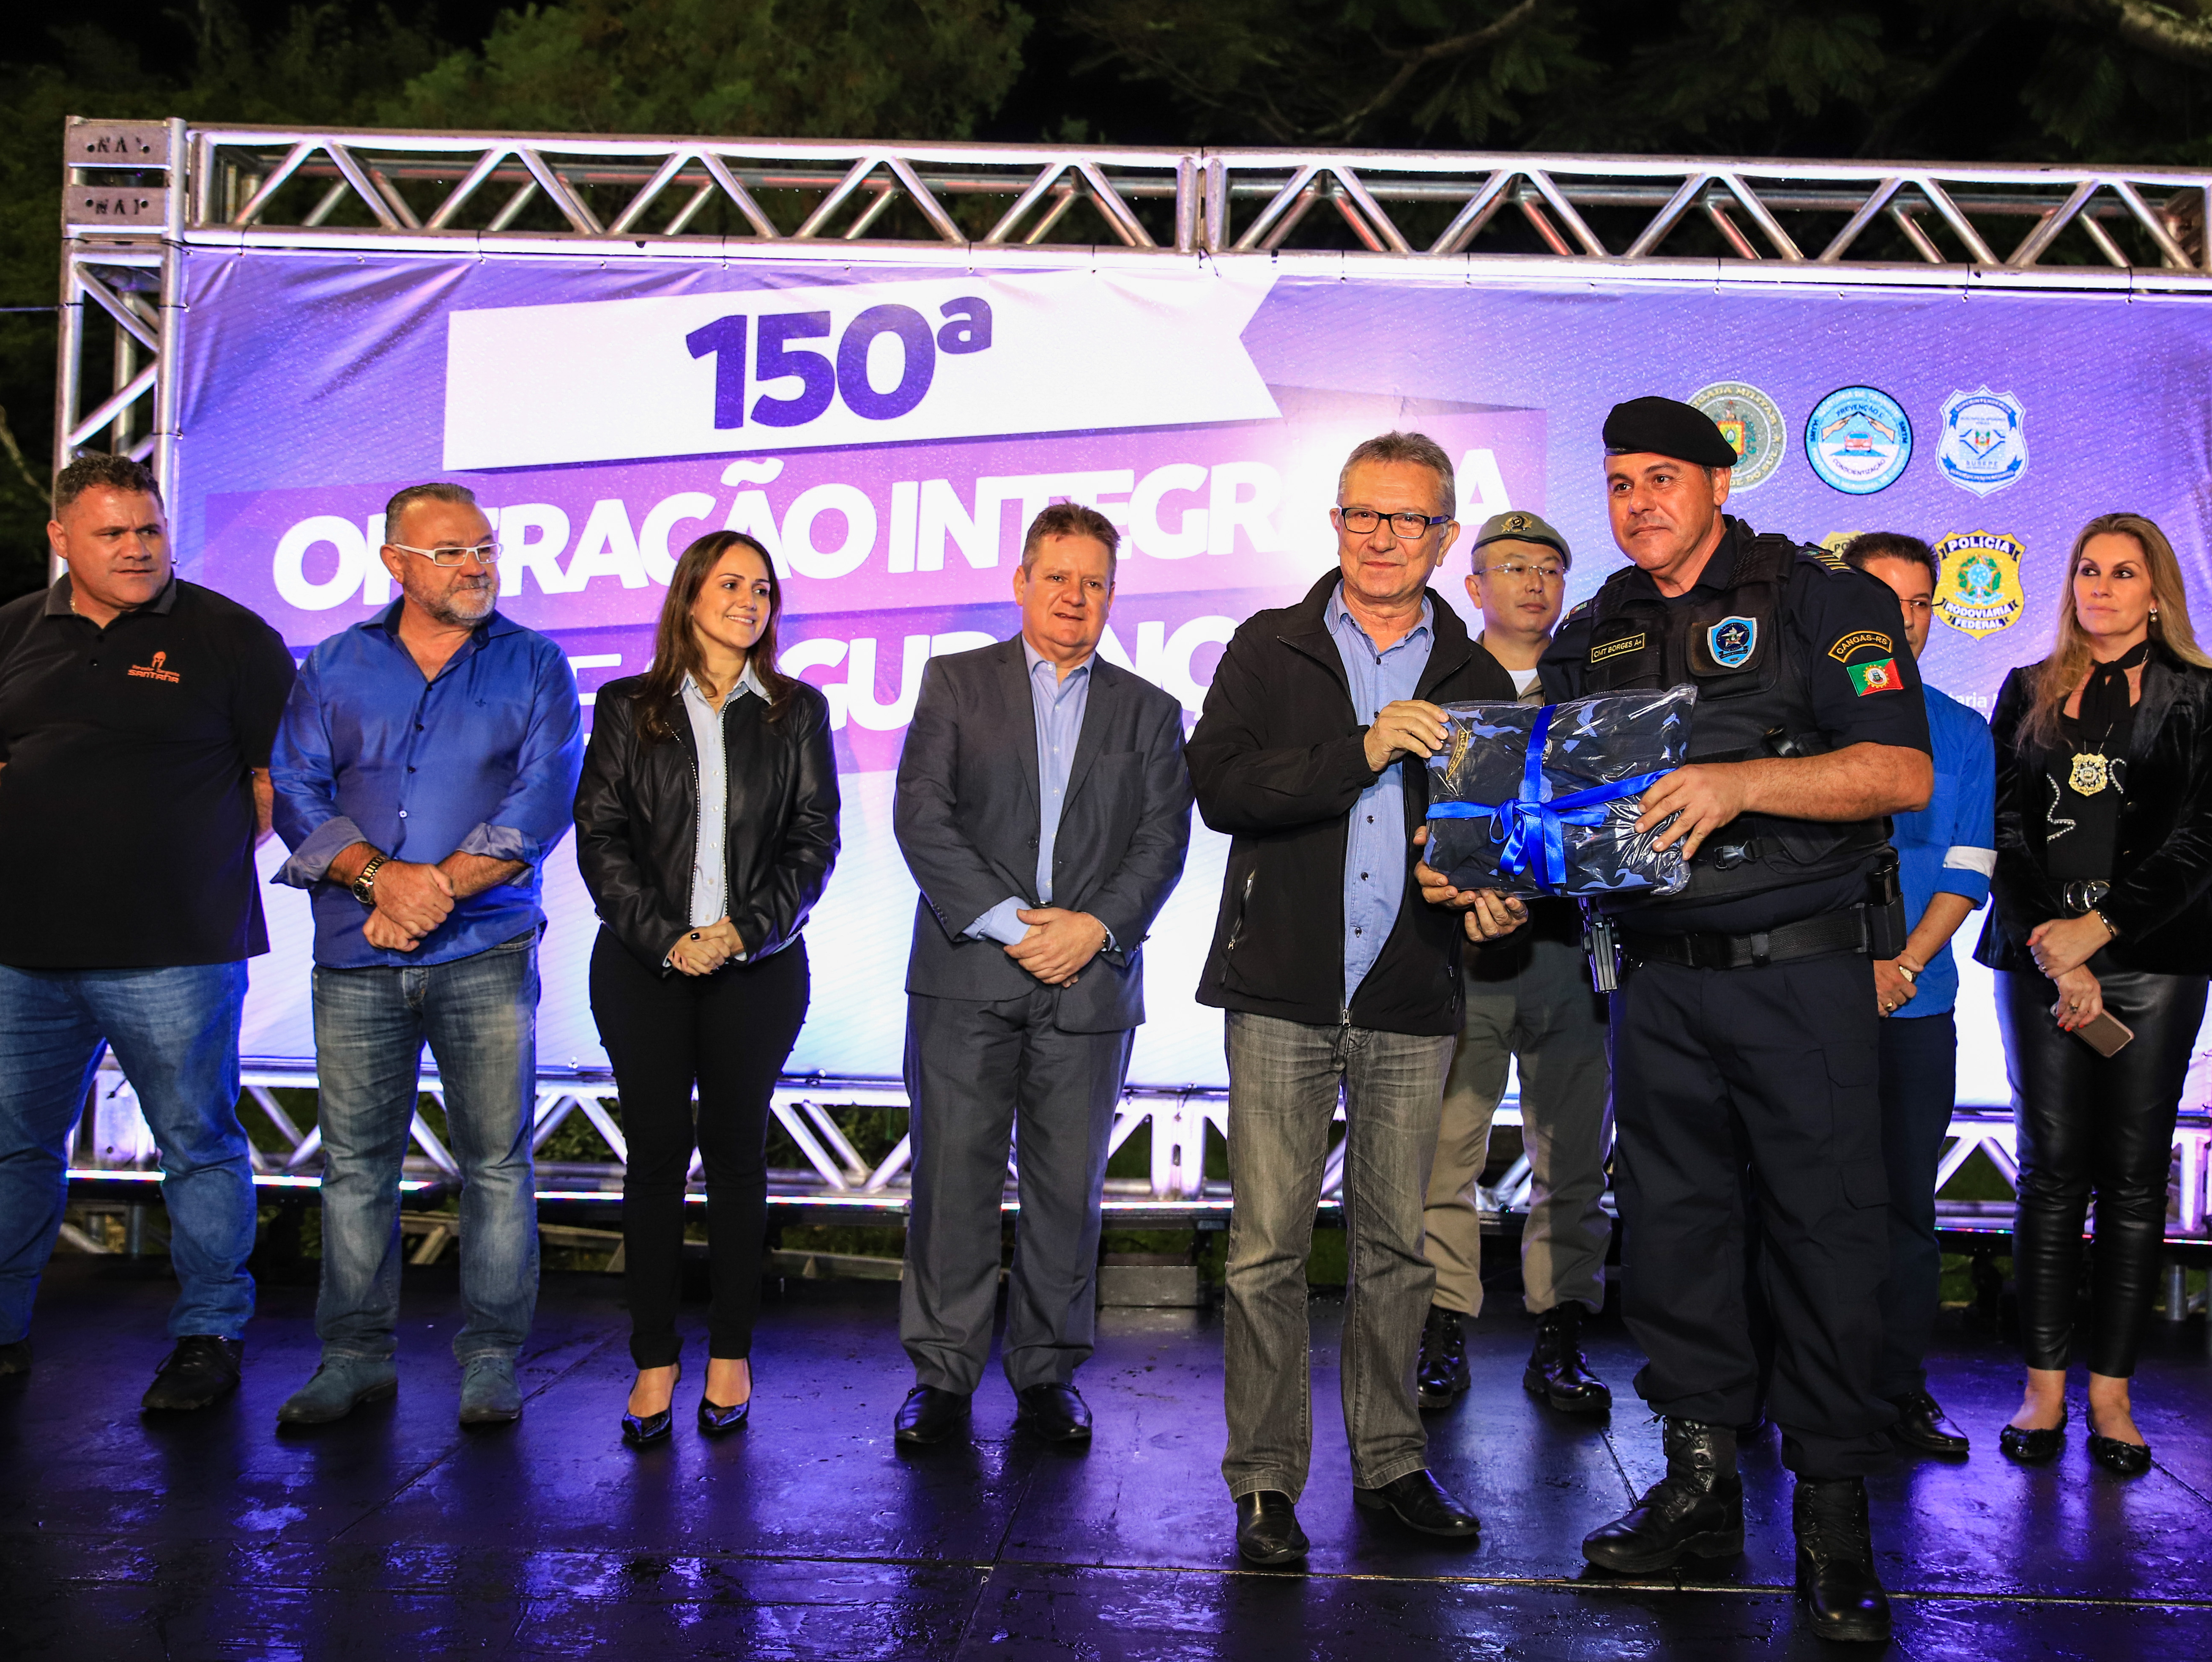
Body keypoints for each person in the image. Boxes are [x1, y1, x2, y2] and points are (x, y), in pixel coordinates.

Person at [1499, 397, 1930, 1646]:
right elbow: (1554, 806)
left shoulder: (1820, 599)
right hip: (1655, 978)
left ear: (1719, 482)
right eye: (1619, 483)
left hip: (1800, 975)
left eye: (1662, 478)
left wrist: (1742, 781)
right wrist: (1486, 860)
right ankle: (1696, 1486)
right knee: (1676, 1235)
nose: (1638, 502)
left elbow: (1899, 772)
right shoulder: (1597, 630)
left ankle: (1835, 1519)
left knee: (1824, 1236)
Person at [1191, 432, 1519, 1569]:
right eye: (1361, 515)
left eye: (1408, 519)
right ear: (1335, 522)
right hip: (1280, 989)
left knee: (1396, 1248)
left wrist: (1486, 899)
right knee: (1265, 1252)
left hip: (1411, 993)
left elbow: (1489, 849)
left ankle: (1389, 1461)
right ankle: (1265, 1482)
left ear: (1445, 536)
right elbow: (1220, 787)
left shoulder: (1478, 681)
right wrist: (1362, 747)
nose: (1382, 538)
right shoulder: (1269, 644)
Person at [0, 451, 295, 1411]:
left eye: (149, 529)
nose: (136, 547)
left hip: (177, 948)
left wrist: (184, 860)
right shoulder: (5, 633)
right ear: (61, 539)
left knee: (198, 1143)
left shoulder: (231, 636)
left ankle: (209, 1334)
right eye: (112, 532)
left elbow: (274, 783)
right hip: (19, 950)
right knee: (8, 1148)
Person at [270, 482, 582, 1429]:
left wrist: (426, 890)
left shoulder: (535, 663)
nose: (476, 566)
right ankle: (354, 1357)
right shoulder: (335, 663)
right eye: (451, 552)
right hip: (356, 953)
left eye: (484, 548)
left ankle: (490, 1360)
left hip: (484, 949)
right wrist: (380, 882)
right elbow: (295, 790)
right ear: (396, 563)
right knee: (357, 1166)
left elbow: (542, 802)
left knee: (496, 1164)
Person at [889, 503, 1192, 1450]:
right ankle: (942, 1376)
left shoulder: (1150, 710)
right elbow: (921, 816)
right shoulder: (954, 682)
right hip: (967, 975)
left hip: (1089, 983)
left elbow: (1162, 842)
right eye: (1057, 577)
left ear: (1112, 595)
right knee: (951, 1183)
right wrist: (1015, 925)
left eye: (1094, 582)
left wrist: (1092, 929)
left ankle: (1048, 1373)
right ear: (1021, 582)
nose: (1074, 596)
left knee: (1069, 1191)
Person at [1978, 512, 2212, 1477]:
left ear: (2156, 591)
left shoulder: (2202, 694)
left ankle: (2112, 1397)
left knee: (2132, 1179)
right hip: (2040, 956)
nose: (2100, 586)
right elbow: (2003, 828)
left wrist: (2101, 930)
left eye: (2123, 572)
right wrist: (2062, 949)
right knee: (2050, 1174)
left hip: (2156, 958)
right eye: (2088, 569)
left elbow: (2207, 835)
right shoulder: (2026, 688)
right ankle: (2043, 1390)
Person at [573, 530, 840, 1447]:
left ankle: (731, 1353)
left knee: (735, 1158)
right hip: (643, 967)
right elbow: (600, 836)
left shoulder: (797, 711)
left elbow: (814, 841)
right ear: (690, 596)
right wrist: (668, 940)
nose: (750, 601)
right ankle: (654, 1360)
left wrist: (742, 932)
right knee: (653, 1160)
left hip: (757, 968)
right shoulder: (627, 706)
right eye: (731, 584)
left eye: (763, 589)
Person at [1416, 509, 1615, 1418]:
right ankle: (1441, 1326)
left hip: (1570, 950)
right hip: (1461, 954)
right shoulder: (1441, 682)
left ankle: (1561, 1331)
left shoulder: (1596, 686)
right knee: (1441, 1154)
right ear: (1474, 585)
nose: (1534, 583)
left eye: (1549, 568)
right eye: (1512, 567)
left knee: (1572, 1158)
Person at [1840, 531, 1995, 1457]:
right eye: (1881, 600)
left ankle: (1898, 1387)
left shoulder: (1963, 731)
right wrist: (1847, 970)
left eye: (1919, 602)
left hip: (1916, 1004)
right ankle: (1789, 1387)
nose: (1903, 620)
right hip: (1805, 1006)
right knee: (1794, 1204)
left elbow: (1970, 866)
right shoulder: (1800, 721)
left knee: (1906, 1207)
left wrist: (1900, 967)